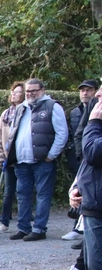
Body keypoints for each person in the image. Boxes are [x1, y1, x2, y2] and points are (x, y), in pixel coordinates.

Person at [7, 78, 68, 241]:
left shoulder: (53, 107)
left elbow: (62, 133)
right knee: (22, 195)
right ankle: (23, 227)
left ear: (42, 90)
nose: (30, 94)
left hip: (42, 160)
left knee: (43, 195)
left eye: (33, 90)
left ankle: (39, 229)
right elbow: (13, 132)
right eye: (28, 91)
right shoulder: (21, 108)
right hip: (21, 161)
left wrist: (51, 155)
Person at [67, 99, 102, 270]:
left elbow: (93, 151)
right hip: (93, 205)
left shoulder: (95, 125)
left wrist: (94, 122)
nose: (98, 103)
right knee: (94, 266)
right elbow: (88, 163)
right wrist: (76, 186)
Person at [62, 80, 99, 242]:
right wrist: (81, 156)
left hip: (95, 156)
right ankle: (80, 230)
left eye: (88, 90)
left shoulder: (96, 109)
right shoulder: (76, 111)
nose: (85, 93)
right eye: (82, 90)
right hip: (85, 159)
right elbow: (79, 134)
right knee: (79, 193)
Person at [0, 81, 25, 234]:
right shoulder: (6, 114)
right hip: (8, 159)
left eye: (17, 91)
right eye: (12, 91)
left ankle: (24, 222)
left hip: (24, 159)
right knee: (8, 191)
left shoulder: (27, 112)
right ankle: (4, 222)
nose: (13, 94)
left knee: (24, 191)